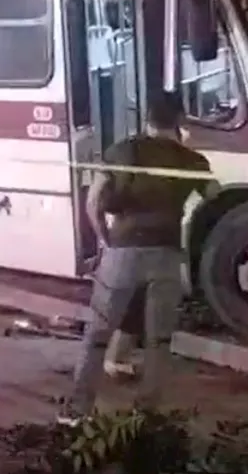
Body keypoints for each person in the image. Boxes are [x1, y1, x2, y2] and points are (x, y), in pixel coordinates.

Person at [60, 98, 214, 424]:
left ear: (147, 119)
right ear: (180, 121)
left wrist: (105, 240)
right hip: (168, 256)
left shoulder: (122, 150)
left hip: (123, 252)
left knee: (99, 334)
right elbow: (217, 199)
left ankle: (77, 411)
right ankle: (147, 415)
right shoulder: (192, 160)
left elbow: (93, 202)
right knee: (158, 340)